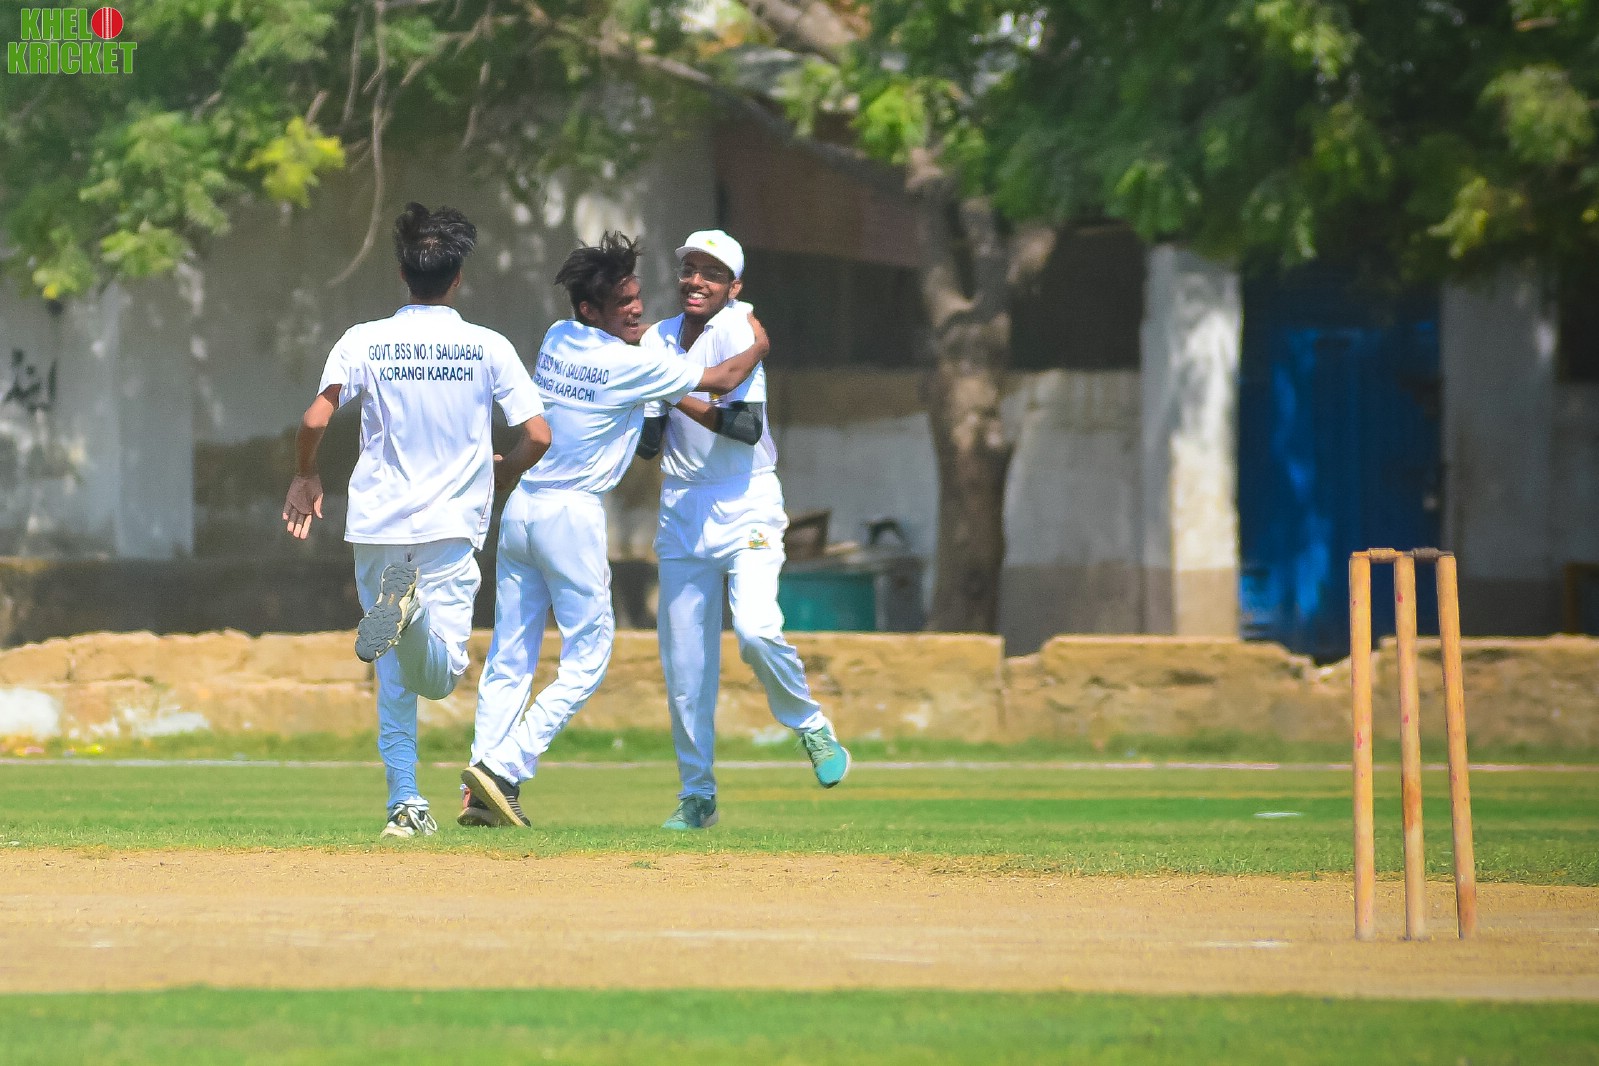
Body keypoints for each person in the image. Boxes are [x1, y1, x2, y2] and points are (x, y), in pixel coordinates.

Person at [460, 232, 770, 829]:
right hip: (570, 516)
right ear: (589, 309)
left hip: (522, 510)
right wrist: (758, 341)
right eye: (623, 302)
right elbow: (724, 379)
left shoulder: (557, 337)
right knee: (589, 657)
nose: (637, 309)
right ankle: (503, 768)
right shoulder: (631, 365)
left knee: (510, 657)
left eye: (636, 296)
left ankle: (480, 790)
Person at [283, 202, 550, 839]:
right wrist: (504, 472)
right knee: (440, 676)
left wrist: (306, 474)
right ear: (457, 278)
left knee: (394, 677)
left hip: (376, 524)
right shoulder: (487, 346)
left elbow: (316, 418)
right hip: (449, 527)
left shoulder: (364, 339)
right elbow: (538, 435)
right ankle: (412, 614)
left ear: (403, 274)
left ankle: (405, 803)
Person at [636, 228, 850, 832]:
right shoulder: (655, 339)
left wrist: (668, 386)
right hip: (682, 507)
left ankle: (810, 725)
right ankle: (697, 796)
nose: (696, 281)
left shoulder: (740, 329)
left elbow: (745, 427)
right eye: (690, 269)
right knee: (685, 668)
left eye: (712, 273)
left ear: (734, 286)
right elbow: (650, 446)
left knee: (756, 630)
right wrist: (637, 395)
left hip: (746, 499)